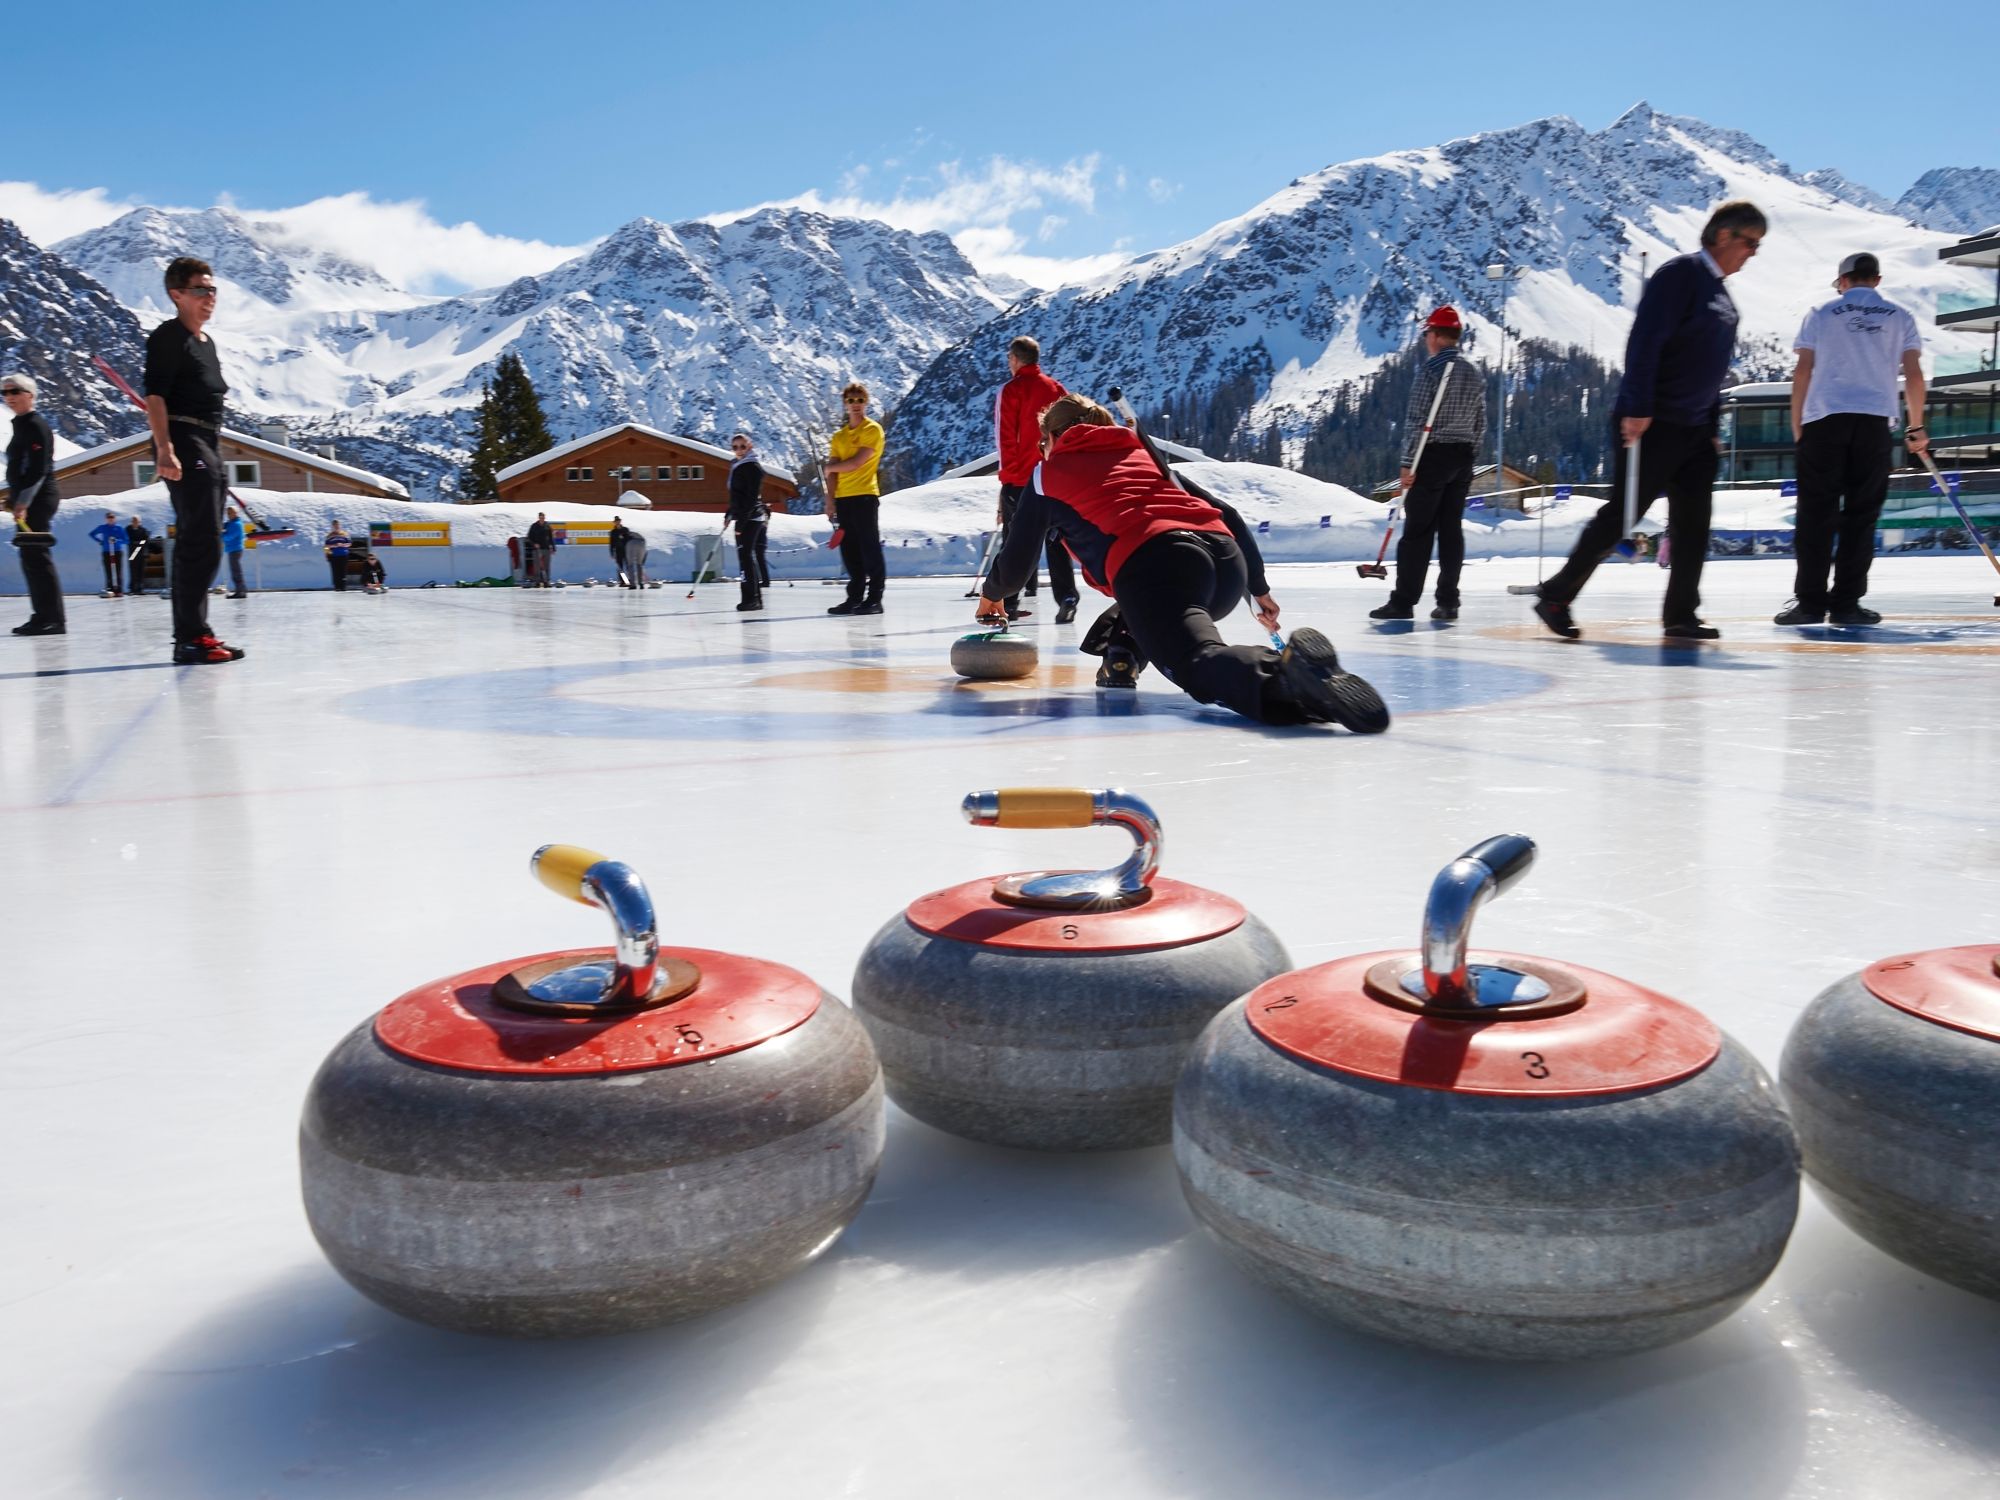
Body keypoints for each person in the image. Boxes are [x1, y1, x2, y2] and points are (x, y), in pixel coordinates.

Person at [976, 394, 1389, 732]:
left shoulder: (1049, 473)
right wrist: (1258, 588)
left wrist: (993, 594)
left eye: (1041, 443)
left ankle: (1287, 678)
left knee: (1196, 663)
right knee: (1141, 606)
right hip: (1224, 565)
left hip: (1156, 565)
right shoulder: (1142, 455)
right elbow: (1225, 513)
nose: (1041, 451)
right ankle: (1121, 656)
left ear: (1052, 436)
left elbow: (1017, 557)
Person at [1534, 201, 1767, 642]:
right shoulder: (1680, 276)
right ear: (1722, 236)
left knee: (1693, 525)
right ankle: (1556, 596)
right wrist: (1638, 407)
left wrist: (1713, 428)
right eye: (1749, 242)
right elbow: (1645, 341)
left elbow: (1712, 367)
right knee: (1622, 516)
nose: (1753, 253)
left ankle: (1681, 614)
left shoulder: (1720, 293)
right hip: (1653, 420)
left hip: (1696, 429)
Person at [1777, 252, 1927, 626]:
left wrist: (1798, 425)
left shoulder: (1821, 313)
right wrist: (1916, 426)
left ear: (1842, 281)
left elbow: (1803, 370)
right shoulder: (1901, 317)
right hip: (1874, 423)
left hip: (1824, 421)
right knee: (1861, 515)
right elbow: (1913, 374)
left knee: (1815, 514)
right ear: (1875, 280)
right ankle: (1846, 603)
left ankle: (1810, 603)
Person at [143, 256, 242, 663]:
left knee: (208, 539)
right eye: (200, 290)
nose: (209, 297)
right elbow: (155, 397)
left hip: (207, 440)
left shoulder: (206, 343)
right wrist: (165, 449)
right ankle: (189, 637)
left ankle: (197, 631)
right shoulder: (168, 337)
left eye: (212, 289)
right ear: (177, 295)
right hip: (182, 438)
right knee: (197, 538)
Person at [1370, 306, 1485, 621]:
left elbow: (1417, 420)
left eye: (1426, 334)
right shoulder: (1473, 371)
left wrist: (1407, 464)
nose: (1425, 340)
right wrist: (1471, 453)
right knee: (1451, 531)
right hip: (1462, 457)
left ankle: (1404, 601)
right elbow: (1480, 420)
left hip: (1432, 455)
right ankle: (1448, 601)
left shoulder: (1432, 370)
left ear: (1435, 335)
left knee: (1418, 532)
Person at [995, 335, 1079, 623]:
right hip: (1053, 475)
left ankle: (1009, 601)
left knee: (1016, 541)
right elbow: (1071, 428)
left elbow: (1006, 437)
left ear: (1015, 359)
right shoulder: (1056, 388)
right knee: (1056, 539)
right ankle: (1067, 595)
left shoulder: (1011, 390)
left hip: (1021, 478)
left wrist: (1007, 477)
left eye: (1009, 358)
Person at [4, 374, 65, 636]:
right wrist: (15, 497)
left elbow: (39, 469)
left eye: (15, 391)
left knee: (37, 556)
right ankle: (42, 616)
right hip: (27, 499)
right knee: (30, 557)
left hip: (38, 498)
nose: (9, 397)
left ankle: (52, 619)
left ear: (30, 394)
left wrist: (24, 501)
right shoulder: (21, 424)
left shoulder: (36, 425)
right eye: (4, 393)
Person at [824, 382, 886, 614]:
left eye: (860, 400)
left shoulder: (872, 430)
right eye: (851, 400)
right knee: (849, 551)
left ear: (866, 402)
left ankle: (875, 599)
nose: (856, 404)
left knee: (869, 548)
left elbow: (857, 462)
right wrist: (830, 499)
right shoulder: (839, 437)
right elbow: (832, 473)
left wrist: (832, 469)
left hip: (865, 497)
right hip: (843, 499)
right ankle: (855, 597)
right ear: (845, 404)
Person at [728, 432, 768, 611]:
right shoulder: (738, 465)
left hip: (751, 517)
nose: (739, 450)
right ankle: (754, 597)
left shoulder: (751, 466)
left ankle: (751, 598)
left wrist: (741, 523)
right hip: (746, 515)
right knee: (746, 557)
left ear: (750, 447)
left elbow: (751, 498)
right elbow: (738, 497)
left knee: (745, 556)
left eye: (742, 446)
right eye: (735, 447)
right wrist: (729, 514)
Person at [90, 511, 127, 596]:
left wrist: (117, 540)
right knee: (108, 571)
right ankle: (110, 588)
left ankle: (119, 590)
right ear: (106, 519)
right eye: (109, 518)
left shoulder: (119, 528)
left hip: (117, 551)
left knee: (118, 571)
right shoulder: (103, 527)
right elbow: (92, 534)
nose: (111, 519)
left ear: (115, 519)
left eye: (112, 518)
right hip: (106, 551)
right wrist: (100, 541)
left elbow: (126, 540)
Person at [221, 505, 248, 597]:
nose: (228, 515)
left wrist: (221, 534)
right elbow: (225, 526)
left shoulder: (236, 524)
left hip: (235, 549)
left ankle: (240, 591)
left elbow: (229, 537)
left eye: (230, 513)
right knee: (235, 571)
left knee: (236, 571)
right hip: (233, 549)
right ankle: (241, 590)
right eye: (227, 513)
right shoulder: (231, 523)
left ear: (235, 513)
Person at [526, 512, 555, 587]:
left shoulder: (547, 526)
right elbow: (529, 537)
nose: (542, 519)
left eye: (543, 517)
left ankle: (546, 581)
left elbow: (551, 537)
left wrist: (553, 547)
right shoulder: (534, 526)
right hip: (537, 549)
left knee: (546, 566)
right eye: (541, 517)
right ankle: (537, 582)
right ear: (538, 517)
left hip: (546, 548)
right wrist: (534, 544)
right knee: (537, 566)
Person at [125, 514, 151, 596]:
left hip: (141, 552)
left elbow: (146, 540)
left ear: (139, 522)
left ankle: (140, 588)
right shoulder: (128, 529)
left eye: (137, 521)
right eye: (133, 521)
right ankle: (132, 589)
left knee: (141, 571)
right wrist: (136, 543)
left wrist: (138, 544)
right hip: (132, 552)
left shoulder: (143, 530)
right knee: (133, 570)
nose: (135, 523)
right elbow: (127, 539)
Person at [323, 519, 351, 590]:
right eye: (334, 525)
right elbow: (326, 546)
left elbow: (349, 544)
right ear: (332, 526)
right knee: (335, 571)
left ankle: (343, 586)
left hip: (343, 555)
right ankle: (337, 587)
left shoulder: (344, 534)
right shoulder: (329, 536)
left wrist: (343, 544)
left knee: (343, 571)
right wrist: (327, 554)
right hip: (334, 556)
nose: (336, 527)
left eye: (337, 525)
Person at [609, 517, 633, 586]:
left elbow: (629, 538)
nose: (617, 522)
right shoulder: (613, 532)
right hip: (618, 552)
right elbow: (611, 543)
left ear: (620, 521)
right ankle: (624, 581)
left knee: (628, 566)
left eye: (618, 521)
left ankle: (631, 580)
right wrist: (612, 552)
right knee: (620, 568)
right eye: (616, 521)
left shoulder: (625, 529)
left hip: (626, 551)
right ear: (614, 522)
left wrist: (624, 537)